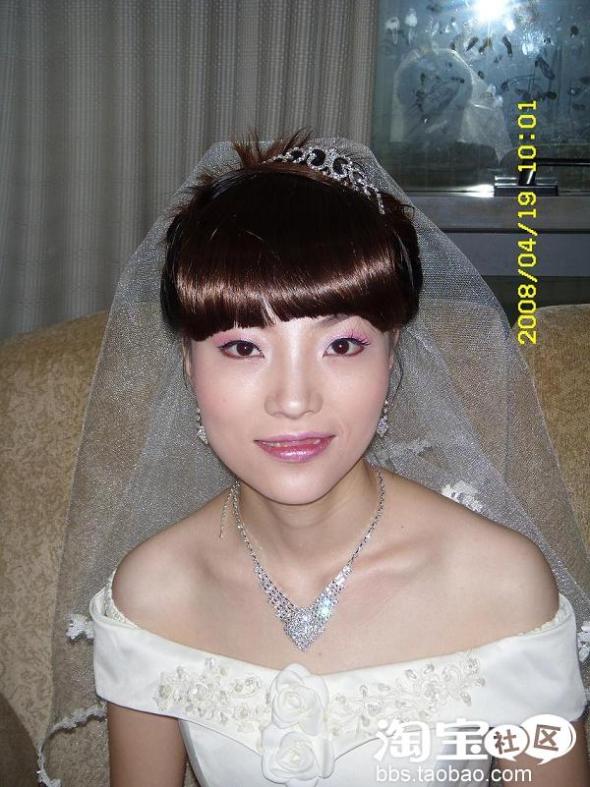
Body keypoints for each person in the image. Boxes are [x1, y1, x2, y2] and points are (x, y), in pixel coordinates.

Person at [37, 129, 590, 787]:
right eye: (243, 347)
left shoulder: (500, 583)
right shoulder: (155, 591)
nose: (294, 400)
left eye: (342, 346)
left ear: (393, 353)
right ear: (187, 363)